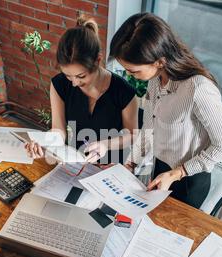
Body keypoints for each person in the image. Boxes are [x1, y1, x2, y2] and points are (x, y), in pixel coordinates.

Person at [109, 13, 222, 209]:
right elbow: (149, 129)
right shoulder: (154, 80)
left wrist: (177, 173)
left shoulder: (198, 89)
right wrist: (130, 165)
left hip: (187, 180)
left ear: (159, 61)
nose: (128, 75)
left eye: (133, 71)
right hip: (160, 168)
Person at [26, 16, 138, 165]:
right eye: (68, 76)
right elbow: (58, 130)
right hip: (76, 162)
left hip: (112, 166)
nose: (74, 83)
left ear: (98, 60)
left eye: (81, 76)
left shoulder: (124, 91)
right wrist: (44, 143)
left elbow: (132, 135)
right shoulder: (59, 84)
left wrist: (105, 144)